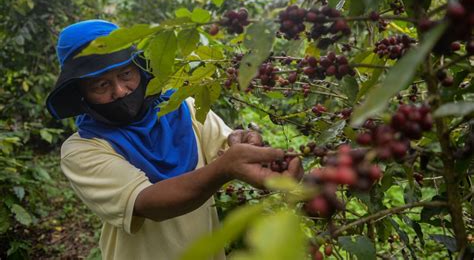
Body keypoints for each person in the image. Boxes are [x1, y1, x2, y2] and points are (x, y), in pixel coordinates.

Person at [46, 20, 303, 260]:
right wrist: (226, 167)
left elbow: (230, 149)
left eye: (126, 74)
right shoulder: (82, 149)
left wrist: (253, 150)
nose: (120, 91)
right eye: (101, 85)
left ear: (141, 69)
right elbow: (148, 203)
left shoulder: (184, 108)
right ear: (82, 94)